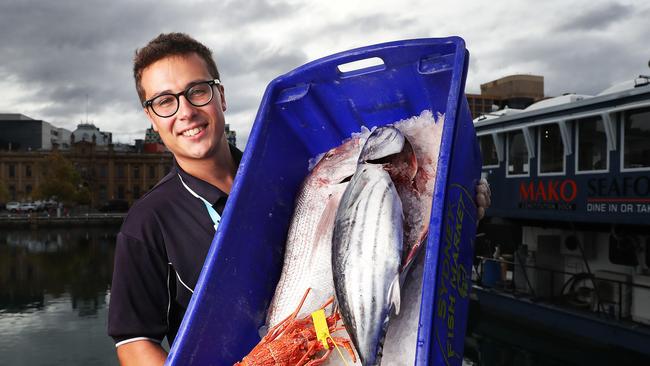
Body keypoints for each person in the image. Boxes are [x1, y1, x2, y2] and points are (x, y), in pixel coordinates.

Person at [108, 32, 491, 365]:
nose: (186, 111)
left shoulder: (283, 167)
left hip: (346, 338)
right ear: (152, 118)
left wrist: (455, 213)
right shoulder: (147, 222)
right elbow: (134, 342)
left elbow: (373, 245)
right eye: (164, 101)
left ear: (220, 96)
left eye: (197, 91)